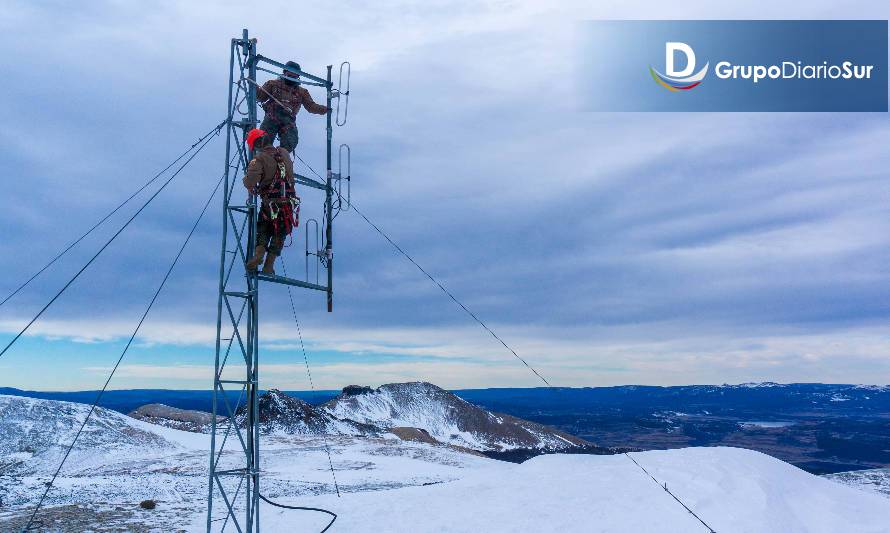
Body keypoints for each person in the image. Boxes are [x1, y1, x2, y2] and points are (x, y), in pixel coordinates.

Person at [243, 128, 299, 275]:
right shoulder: (284, 153)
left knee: (263, 227)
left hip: (270, 203)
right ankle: (269, 265)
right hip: (288, 201)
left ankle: (258, 255)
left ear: (256, 145)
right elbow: (291, 177)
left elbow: (250, 182)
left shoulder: (259, 159)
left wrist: (248, 179)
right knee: (280, 232)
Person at [257, 61, 328, 153]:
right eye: (290, 75)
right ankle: (264, 159)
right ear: (284, 73)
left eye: (295, 77)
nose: (293, 78)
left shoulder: (301, 92)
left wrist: (325, 109)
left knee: (290, 142)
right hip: (272, 117)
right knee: (263, 142)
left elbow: (311, 106)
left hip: (288, 120)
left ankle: (281, 159)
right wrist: (253, 87)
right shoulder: (273, 84)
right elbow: (260, 97)